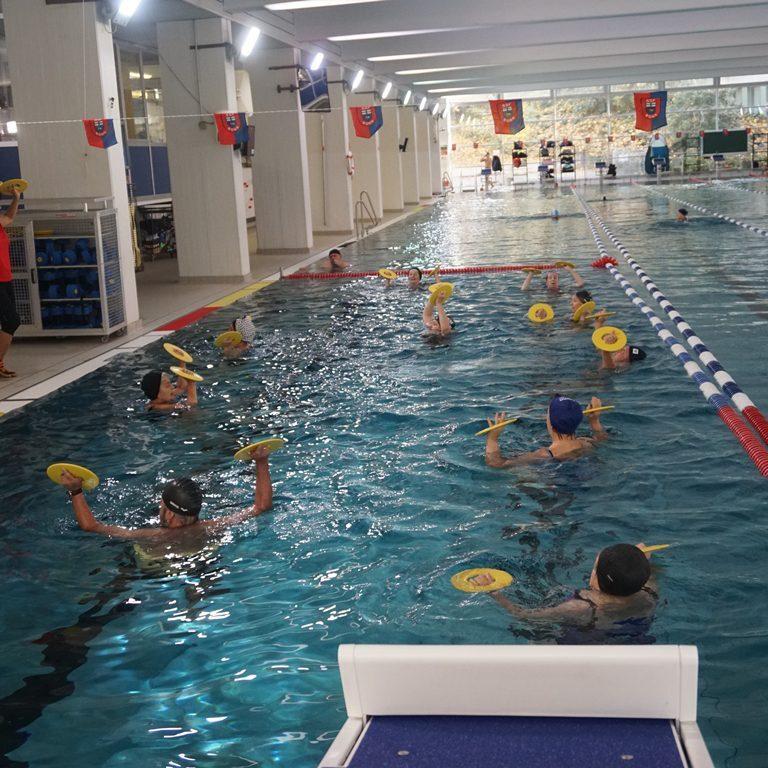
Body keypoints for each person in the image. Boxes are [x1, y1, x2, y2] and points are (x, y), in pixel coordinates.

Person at [56, 446, 273, 539]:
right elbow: (260, 507)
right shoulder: (209, 528)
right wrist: (262, 462)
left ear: (168, 512)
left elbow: (91, 526)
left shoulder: (150, 536)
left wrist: (75, 491)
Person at [474, 543, 657, 638]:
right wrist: (638, 558)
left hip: (581, 643)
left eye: (594, 568)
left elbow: (523, 615)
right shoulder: (648, 592)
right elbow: (640, 572)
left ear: (595, 582)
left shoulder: (580, 608)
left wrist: (494, 592)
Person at [484, 395, 607, 467]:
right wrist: (594, 421)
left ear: (550, 423)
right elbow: (603, 439)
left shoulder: (543, 454)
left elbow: (496, 464)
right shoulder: (586, 443)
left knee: (522, 478)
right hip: (581, 471)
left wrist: (492, 438)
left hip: (553, 478)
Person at [0, 188, 22, 377]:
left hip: (6, 279)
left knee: (9, 322)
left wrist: (16, 198)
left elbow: (9, 217)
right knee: (12, 319)